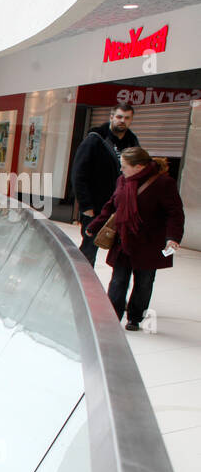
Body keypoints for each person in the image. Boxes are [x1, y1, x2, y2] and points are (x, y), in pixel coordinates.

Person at [85, 146, 184, 332]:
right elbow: (111, 206)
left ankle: (135, 317)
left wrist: (172, 237)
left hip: (149, 243)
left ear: (138, 167)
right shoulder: (122, 181)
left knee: (144, 282)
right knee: (118, 280)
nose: (121, 169)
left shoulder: (163, 183)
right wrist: (94, 226)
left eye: (124, 166)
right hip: (124, 240)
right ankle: (112, 317)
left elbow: (175, 213)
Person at [72, 103, 139, 267]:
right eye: (119, 117)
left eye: (126, 118)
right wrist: (85, 205)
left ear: (131, 120)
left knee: (122, 251)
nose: (122, 121)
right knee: (89, 249)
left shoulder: (133, 143)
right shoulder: (95, 139)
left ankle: (115, 291)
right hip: (96, 207)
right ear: (111, 117)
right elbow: (78, 174)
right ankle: (84, 286)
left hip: (122, 207)